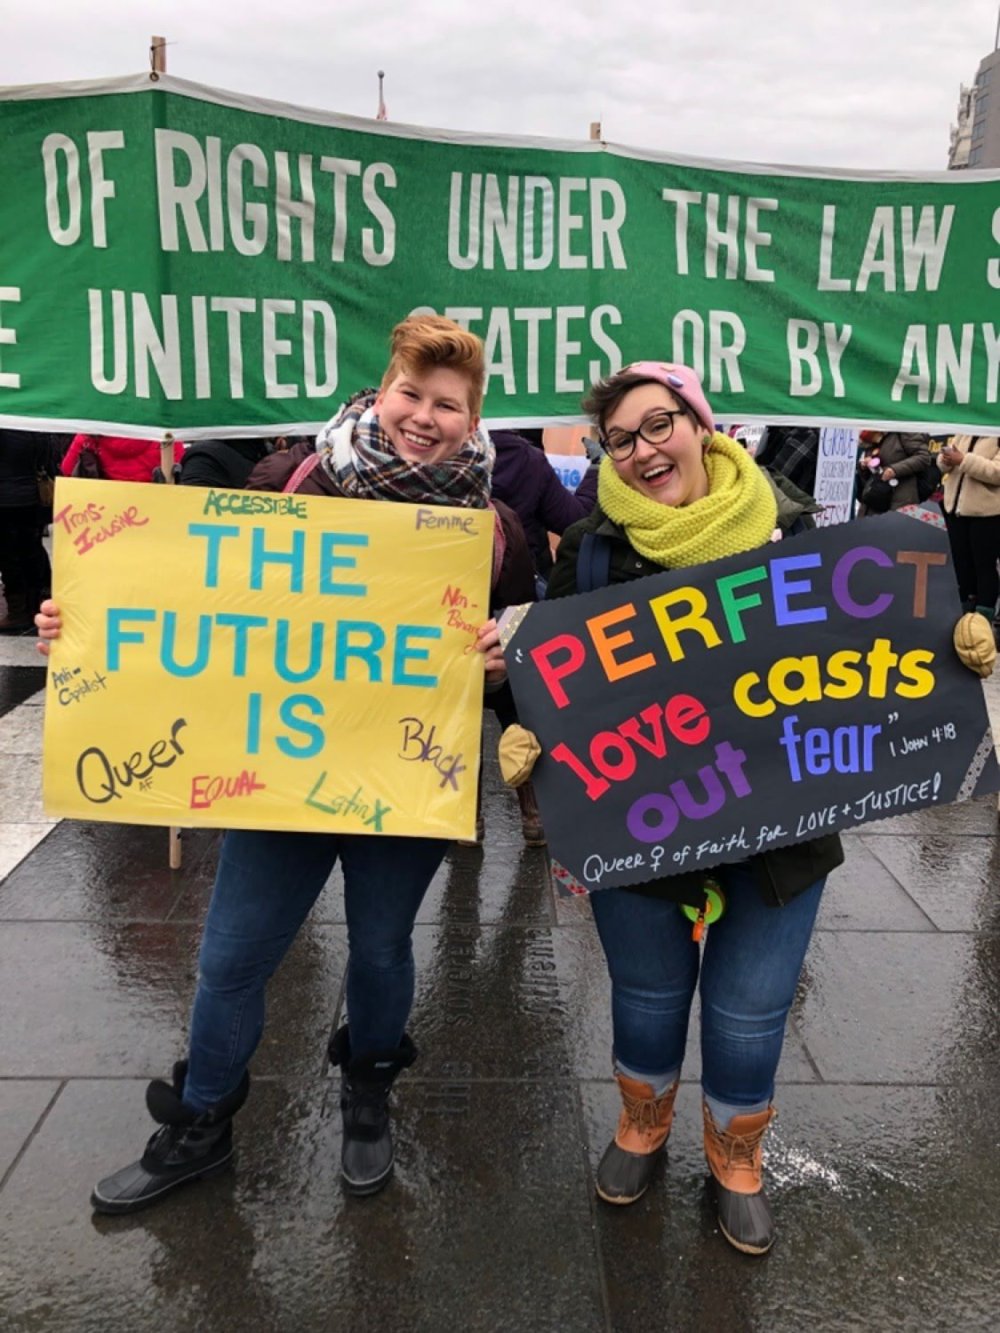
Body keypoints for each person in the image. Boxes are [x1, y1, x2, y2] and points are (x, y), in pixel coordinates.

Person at [35, 315, 533, 1214]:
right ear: (382, 392)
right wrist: (82, 617)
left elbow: (531, 641)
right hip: (279, 772)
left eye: (447, 404)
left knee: (381, 949)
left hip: (401, 772)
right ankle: (201, 1122)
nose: (424, 416)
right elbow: (181, 586)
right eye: (410, 394)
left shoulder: (493, 527)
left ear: (474, 416)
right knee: (230, 958)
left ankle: (369, 1091)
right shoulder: (294, 479)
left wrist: (506, 650)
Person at [482, 362, 843, 1255]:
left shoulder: (793, 531)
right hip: (641, 824)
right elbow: (550, 680)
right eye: (620, 438)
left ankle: (736, 1156)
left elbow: (864, 661)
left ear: (701, 425)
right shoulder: (593, 553)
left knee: (752, 1007)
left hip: (779, 825)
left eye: (658, 425)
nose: (643, 450)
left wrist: (951, 654)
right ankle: (642, 1126)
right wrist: (521, 719)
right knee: (645, 994)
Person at [0, 429, 63, 631]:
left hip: (7, 498)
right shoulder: (33, 425)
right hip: (33, 495)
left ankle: (18, 611)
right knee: (31, 550)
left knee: (9, 556)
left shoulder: (8, 425)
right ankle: (39, 600)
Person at [938, 434, 1000, 632]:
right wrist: (945, 459)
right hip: (956, 512)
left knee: (984, 567)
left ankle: (982, 623)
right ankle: (964, 615)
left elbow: (996, 472)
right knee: (961, 567)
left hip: (987, 514)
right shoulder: (966, 429)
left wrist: (963, 460)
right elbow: (943, 465)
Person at [855, 429, 933, 515]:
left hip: (899, 500)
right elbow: (868, 478)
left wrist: (894, 470)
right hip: (873, 501)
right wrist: (864, 467)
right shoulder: (869, 435)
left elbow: (923, 457)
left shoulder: (903, 429)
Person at [60, 432, 184, 482]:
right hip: (153, 515)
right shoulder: (165, 436)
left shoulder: (89, 435)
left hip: (102, 519)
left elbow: (68, 470)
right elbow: (182, 473)